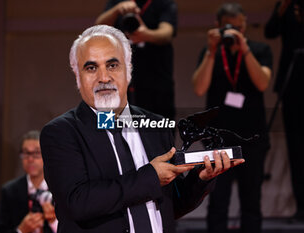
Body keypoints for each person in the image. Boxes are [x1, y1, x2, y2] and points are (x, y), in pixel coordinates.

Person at [40, 25, 244, 233]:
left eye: (112, 65)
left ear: (128, 70)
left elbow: (169, 205)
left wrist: (201, 179)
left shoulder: (155, 125)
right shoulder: (61, 133)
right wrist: (151, 178)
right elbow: (78, 203)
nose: (103, 77)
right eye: (91, 68)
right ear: (77, 76)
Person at [192, 3, 272, 233]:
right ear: (218, 26)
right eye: (231, 27)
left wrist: (245, 50)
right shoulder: (211, 53)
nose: (237, 31)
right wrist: (210, 50)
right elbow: (199, 88)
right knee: (218, 202)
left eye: (241, 26)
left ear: (246, 25)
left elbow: (263, 83)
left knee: (252, 202)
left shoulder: (259, 50)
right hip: (218, 140)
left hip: (252, 139)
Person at [95, 0, 177, 119]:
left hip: (156, 82)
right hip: (116, 83)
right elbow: (98, 29)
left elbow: (167, 33)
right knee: (109, 130)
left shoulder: (164, 3)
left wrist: (146, 35)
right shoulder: (117, 2)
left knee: (158, 131)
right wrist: (117, 9)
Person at [265, 0, 304, 222]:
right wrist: (281, 10)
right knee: (296, 148)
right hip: (292, 81)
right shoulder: (285, 5)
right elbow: (270, 31)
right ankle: (301, 205)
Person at [0, 130, 58, 233]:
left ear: (46, 155)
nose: (30, 159)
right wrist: (21, 230)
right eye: (26, 153)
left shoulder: (59, 188)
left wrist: (53, 221)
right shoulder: (10, 191)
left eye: (36, 153)